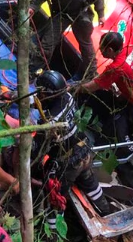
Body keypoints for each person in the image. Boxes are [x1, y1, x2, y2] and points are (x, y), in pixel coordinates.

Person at [76, 32, 133, 207]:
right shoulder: (132, 49)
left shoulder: (116, 68)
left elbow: (93, 86)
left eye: (103, 50)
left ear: (110, 49)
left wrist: (75, 88)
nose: (101, 53)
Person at [32, 70, 112, 227]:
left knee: (55, 198)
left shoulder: (49, 123)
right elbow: (46, 103)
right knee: (89, 181)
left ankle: (52, 234)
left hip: (67, 163)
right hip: (84, 150)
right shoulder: (67, 98)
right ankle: (107, 211)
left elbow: (37, 151)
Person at [30, 0, 104, 82]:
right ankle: (32, 71)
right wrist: (33, 7)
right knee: (47, 44)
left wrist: (101, 14)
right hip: (60, 14)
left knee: (86, 45)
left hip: (81, 12)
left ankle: (91, 74)